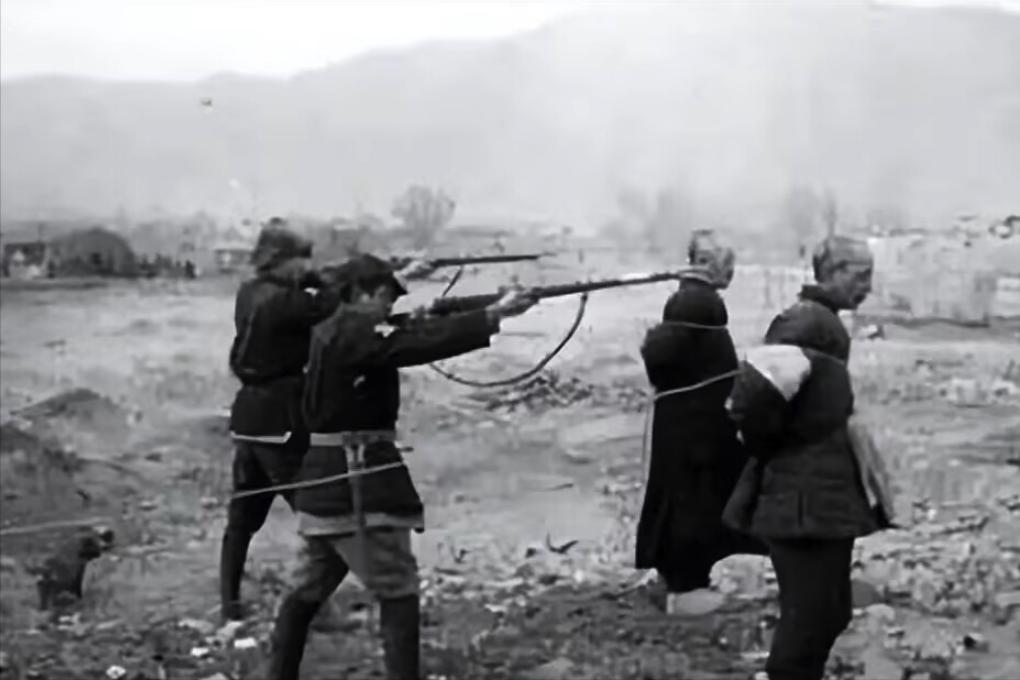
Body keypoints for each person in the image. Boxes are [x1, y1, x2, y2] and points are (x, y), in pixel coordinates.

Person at [262, 253, 536, 680]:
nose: (391, 305)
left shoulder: (340, 327)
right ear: (361, 294)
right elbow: (408, 343)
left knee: (306, 589)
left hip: (327, 485)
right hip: (358, 483)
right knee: (398, 592)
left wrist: (451, 314)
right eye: (385, 296)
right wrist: (492, 315)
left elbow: (397, 334)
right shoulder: (354, 328)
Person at [722, 234, 887, 680]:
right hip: (801, 499)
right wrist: (777, 448)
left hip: (819, 495)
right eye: (860, 275)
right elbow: (752, 398)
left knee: (829, 611)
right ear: (831, 273)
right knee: (810, 615)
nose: (867, 286)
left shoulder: (822, 323)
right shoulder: (804, 324)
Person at [635, 230, 767, 614]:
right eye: (729, 264)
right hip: (693, 431)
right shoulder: (693, 302)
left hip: (697, 425)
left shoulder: (694, 301)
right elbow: (661, 358)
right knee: (692, 501)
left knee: (697, 499)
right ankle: (683, 589)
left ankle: (681, 579)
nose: (733, 272)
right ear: (707, 263)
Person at [220, 217, 340, 622]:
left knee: (241, 518)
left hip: (249, 415)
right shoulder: (287, 302)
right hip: (280, 417)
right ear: (282, 261)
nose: (304, 267)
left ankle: (229, 605)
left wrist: (316, 276)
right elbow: (332, 303)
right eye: (300, 260)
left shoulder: (250, 292)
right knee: (318, 512)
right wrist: (322, 278)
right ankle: (312, 608)